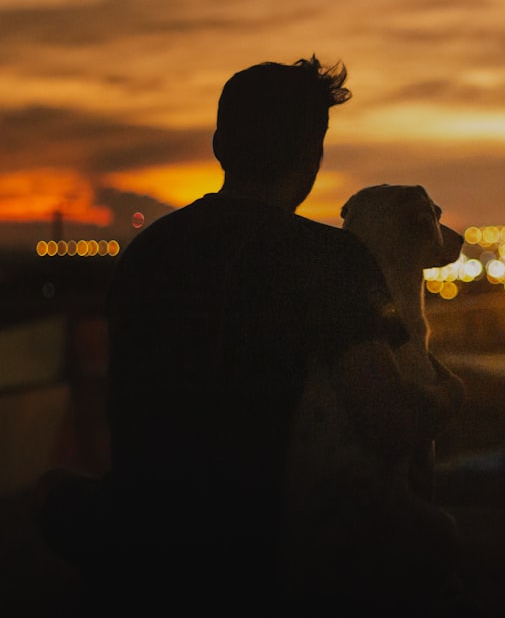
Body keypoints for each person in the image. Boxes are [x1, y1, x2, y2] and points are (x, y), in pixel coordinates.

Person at [36, 57, 464, 613]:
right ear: (313, 154)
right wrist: (454, 395)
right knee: (437, 544)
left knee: (52, 494)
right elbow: (388, 421)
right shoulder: (330, 259)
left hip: (142, 532)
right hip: (264, 548)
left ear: (220, 144)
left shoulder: (149, 253)